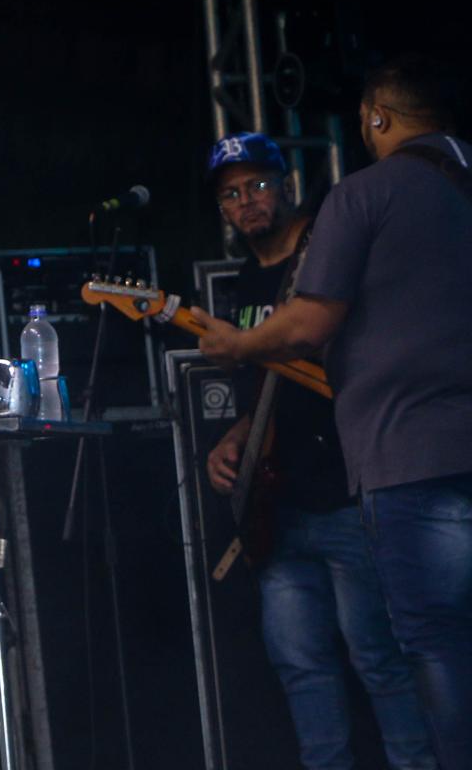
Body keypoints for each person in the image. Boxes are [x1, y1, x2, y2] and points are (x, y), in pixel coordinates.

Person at [200, 56, 472, 770]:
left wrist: (239, 344)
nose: (246, 201)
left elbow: (313, 325)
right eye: (231, 194)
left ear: (377, 118)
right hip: (301, 495)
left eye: (258, 184)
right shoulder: (448, 185)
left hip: (390, 467)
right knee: (314, 663)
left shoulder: (356, 203)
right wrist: (240, 432)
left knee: (419, 649)